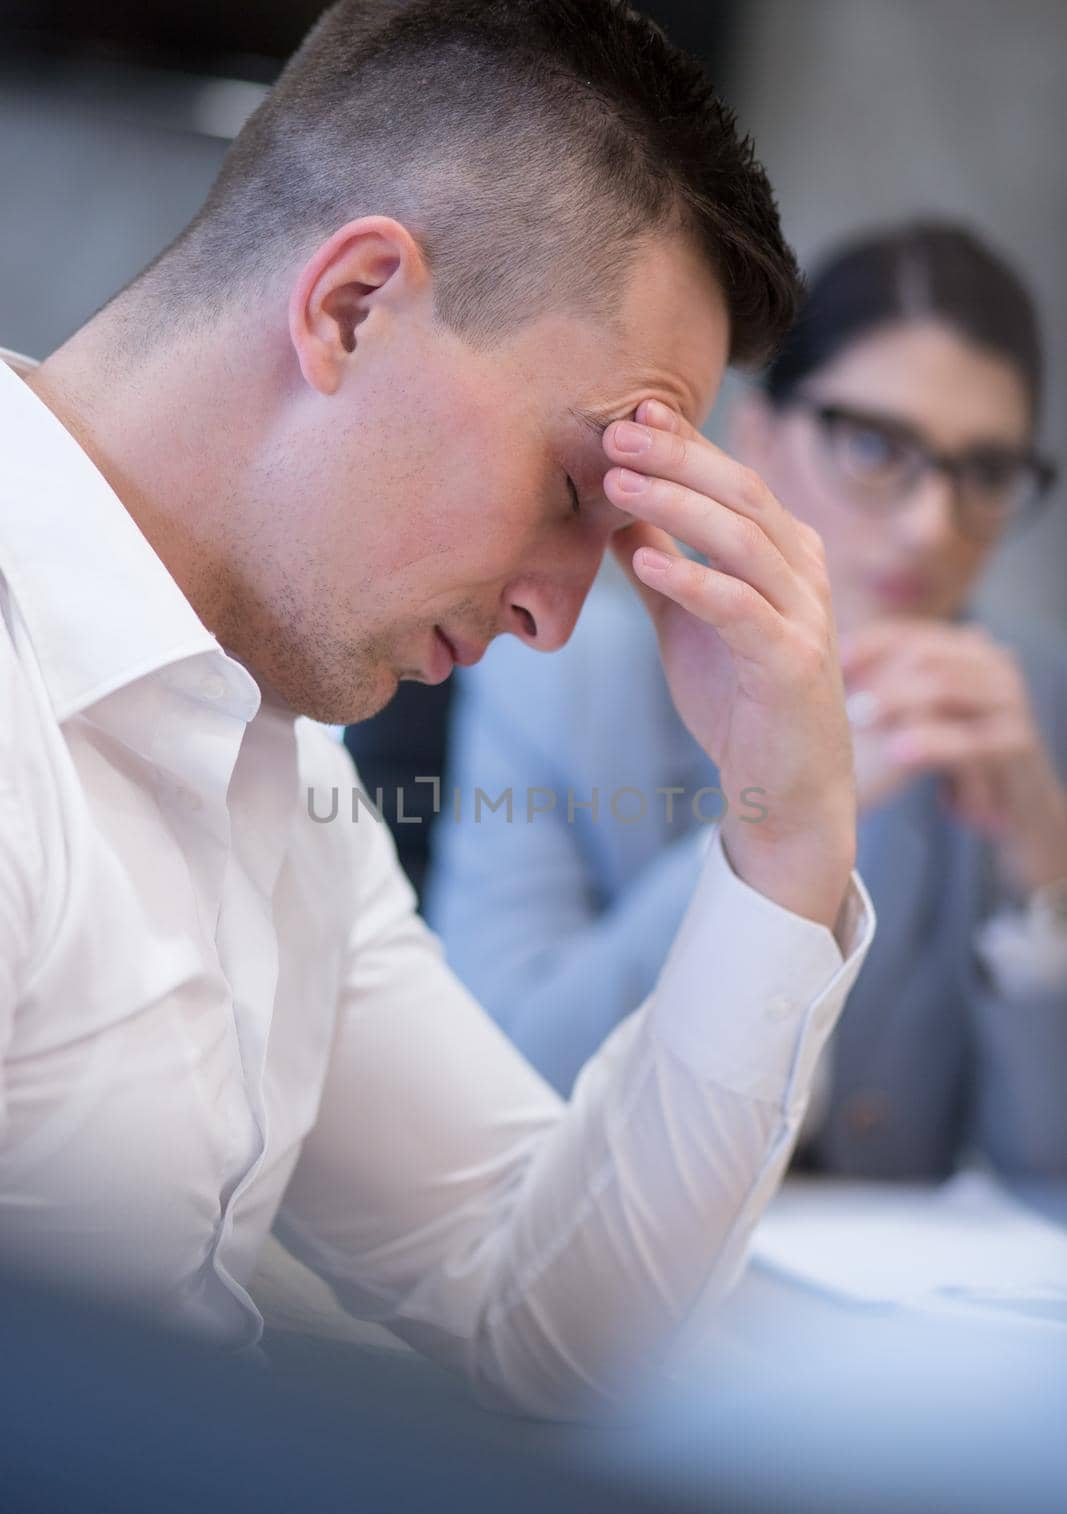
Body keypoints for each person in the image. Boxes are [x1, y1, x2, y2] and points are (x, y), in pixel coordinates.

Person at [0, 0, 874, 1419]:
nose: (554, 617)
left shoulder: (281, 761)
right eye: (571, 493)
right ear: (351, 306)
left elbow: (547, 1328)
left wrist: (785, 843)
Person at [429, 219, 1067, 1180]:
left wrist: (1045, 880)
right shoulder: (557, 672)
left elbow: (1045, 1165)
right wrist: (785, 817)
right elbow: (491, 1086)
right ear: (758, 434)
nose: (932, 525)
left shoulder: (1031, 706)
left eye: (982, 471)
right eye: (872, 443)